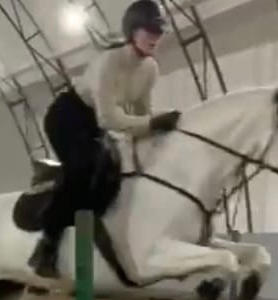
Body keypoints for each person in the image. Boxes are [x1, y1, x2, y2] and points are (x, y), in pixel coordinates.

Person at [27, 0, 182, 279]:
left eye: (159, 32)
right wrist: (150, 123)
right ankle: (46, 245)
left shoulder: (150, 69)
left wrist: (156, 127)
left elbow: (141, 114)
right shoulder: (109, 62)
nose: (155, 38)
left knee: (114, 168)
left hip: (97, 120)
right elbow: (108, 119)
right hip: (67, 116)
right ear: (132, 31)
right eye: (149, 31)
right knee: (83, 167)